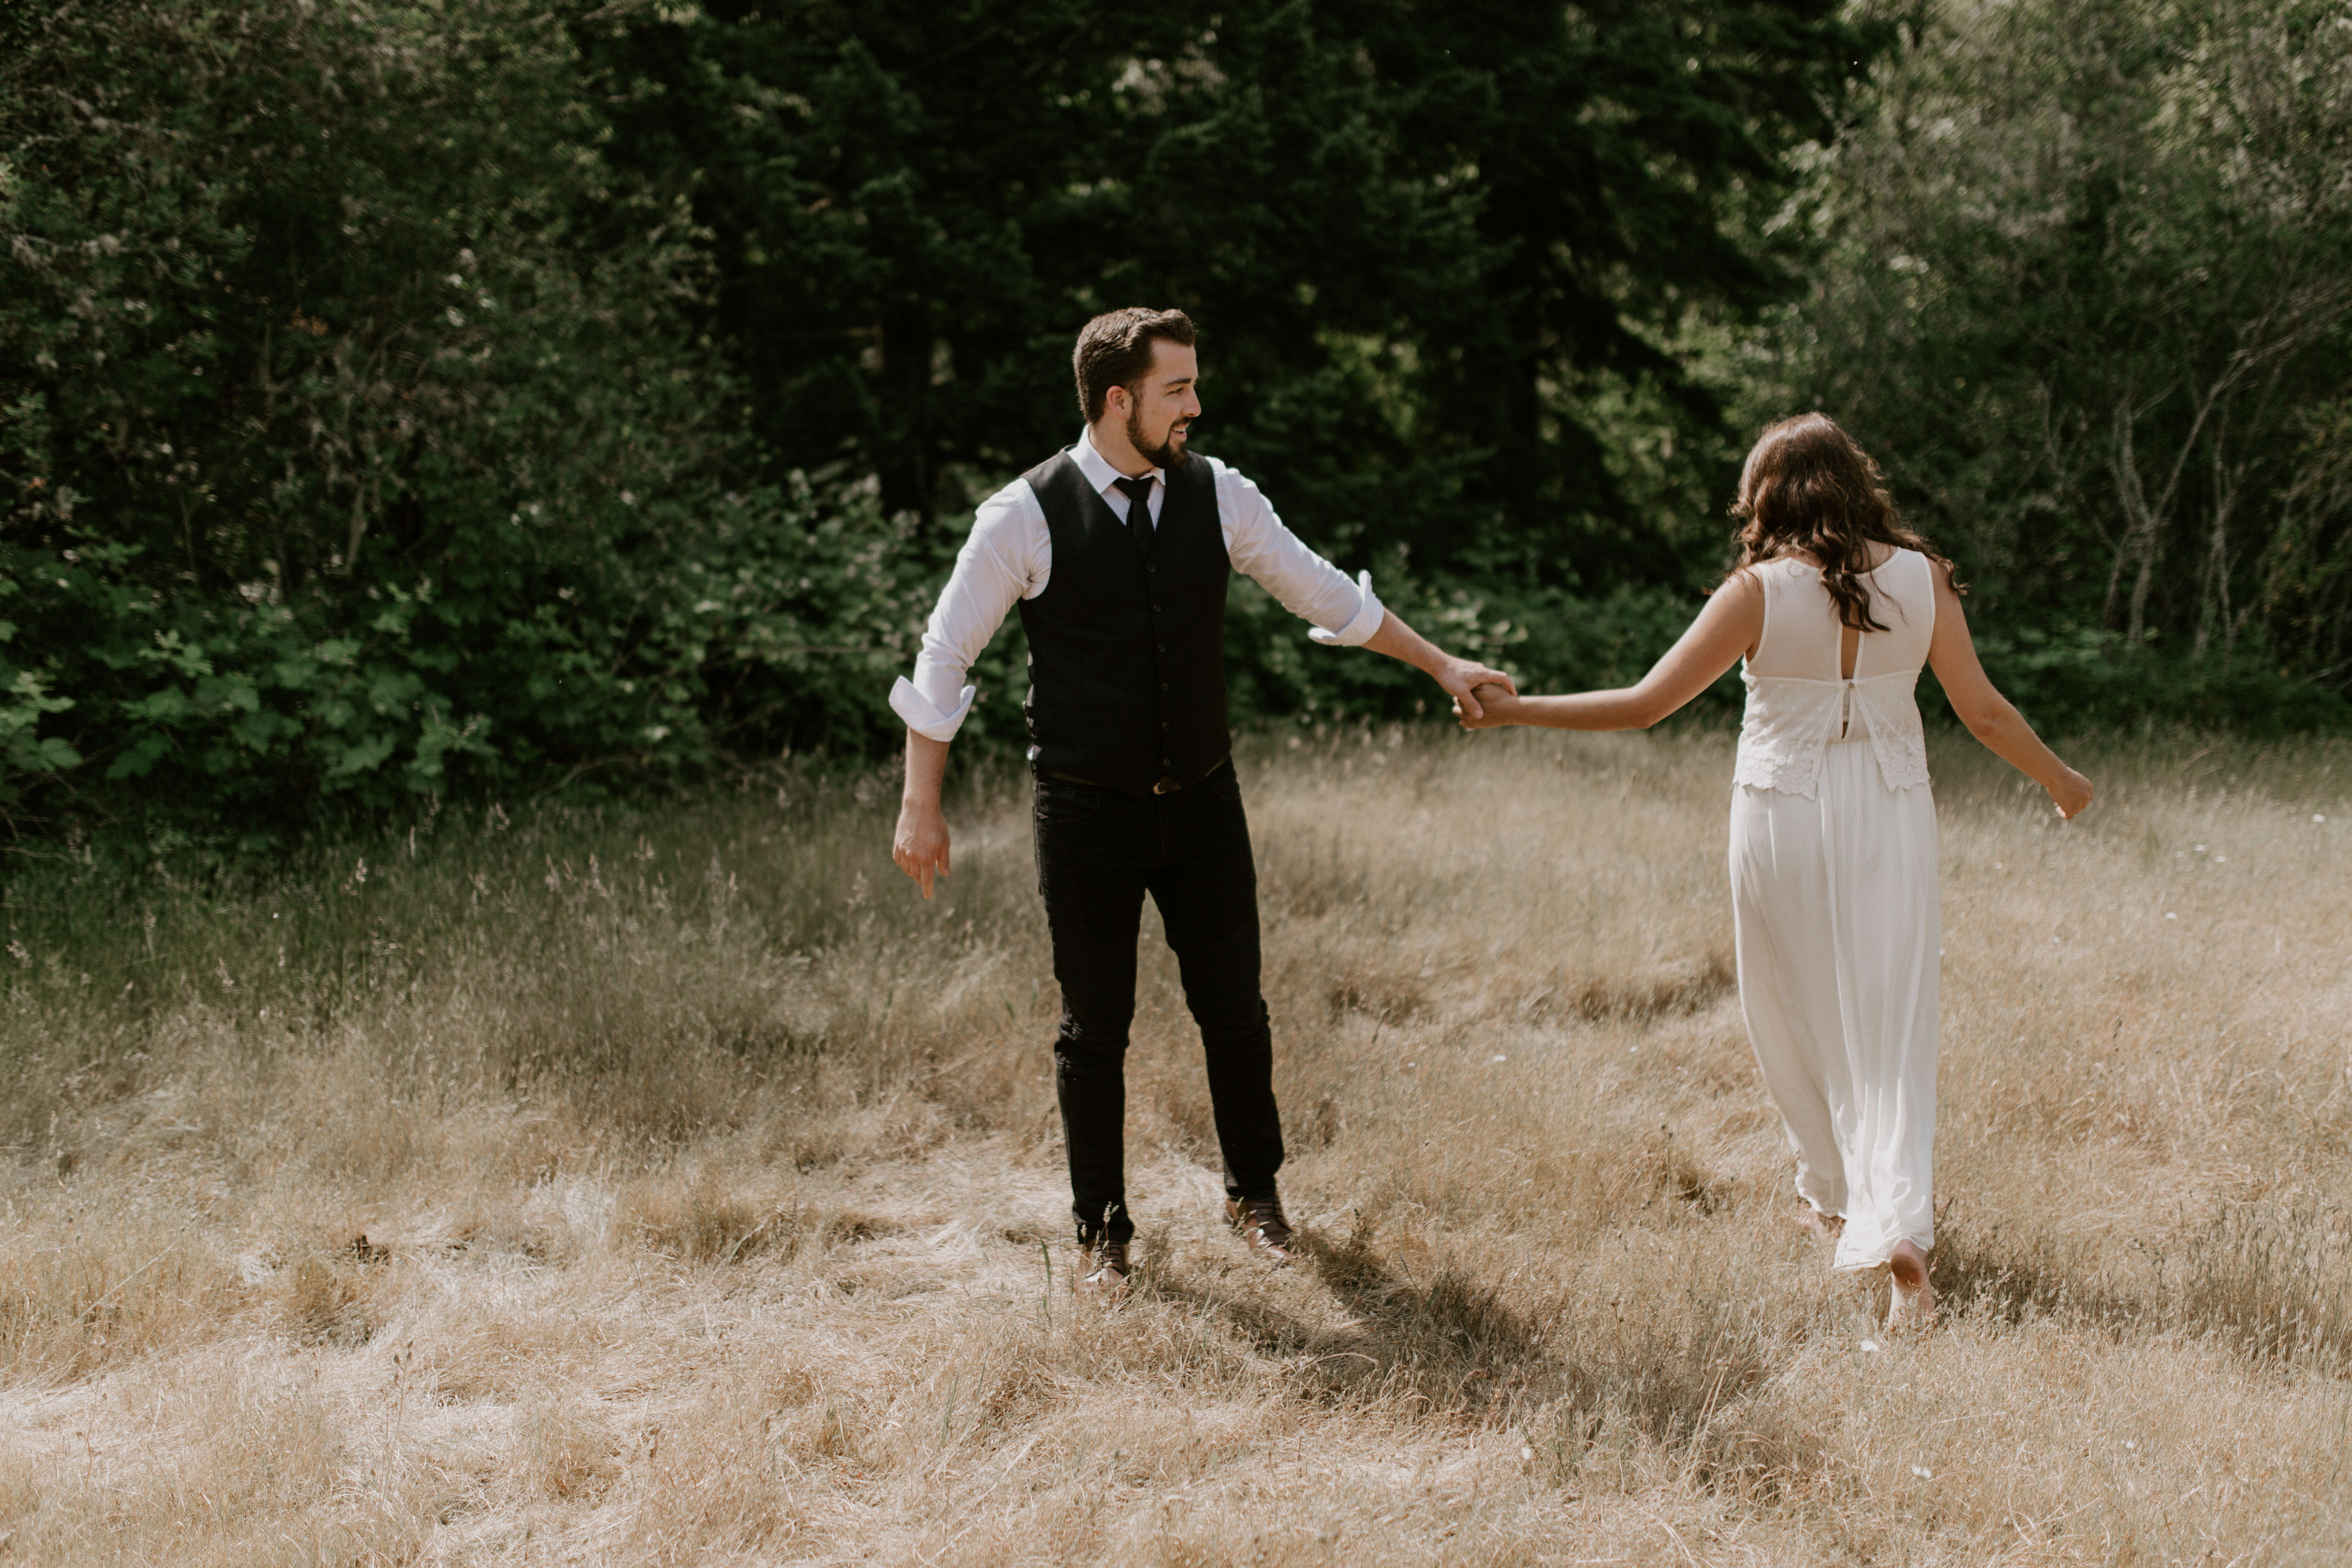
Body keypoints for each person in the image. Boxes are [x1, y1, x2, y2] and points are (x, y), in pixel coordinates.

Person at [889, 307, 1517, 1305]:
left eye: (1193, 386)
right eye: (1178, 388)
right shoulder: (1023, 515)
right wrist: (921, 804)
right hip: (1085, 813)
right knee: (1094, 1028)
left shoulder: (1219, 493)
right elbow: (943, 656)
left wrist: (1442, 664)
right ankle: (1101, 1235)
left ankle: (1255, 1199)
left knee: (1237, 1008)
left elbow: (1325, 595)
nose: (1196, 405)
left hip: (1204, 805)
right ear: (1118, 399)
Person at [1454, 413, 2093, 1330]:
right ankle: (1899, 1221)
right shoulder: (1924, 579)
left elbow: (1644, 707)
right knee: (1891, 1016)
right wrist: (2062, 782)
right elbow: (1983, 713)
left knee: (1793, 1009)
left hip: (1780, 816)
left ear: (1763, 497)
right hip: (1890, 812)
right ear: (1859, 481)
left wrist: (1516, 713)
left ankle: (1837, 1199)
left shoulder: (1756, 593)